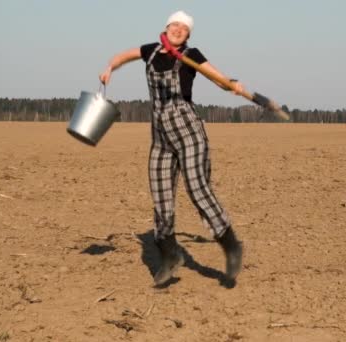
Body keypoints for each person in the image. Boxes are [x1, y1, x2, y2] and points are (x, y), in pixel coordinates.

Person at [99, 10, 243, 286]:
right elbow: (121, 57)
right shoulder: (150, 51)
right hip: (161, 137)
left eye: (184, 27)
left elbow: (218, 79)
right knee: (161, 197)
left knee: (198, 189)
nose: (178, 29)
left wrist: (232, 84)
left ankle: (231, 245)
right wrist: (109, 69)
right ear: (167, 27)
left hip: (189, 133)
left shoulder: (193, 55)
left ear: (188, 34)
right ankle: (169, 255)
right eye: (174, 24)